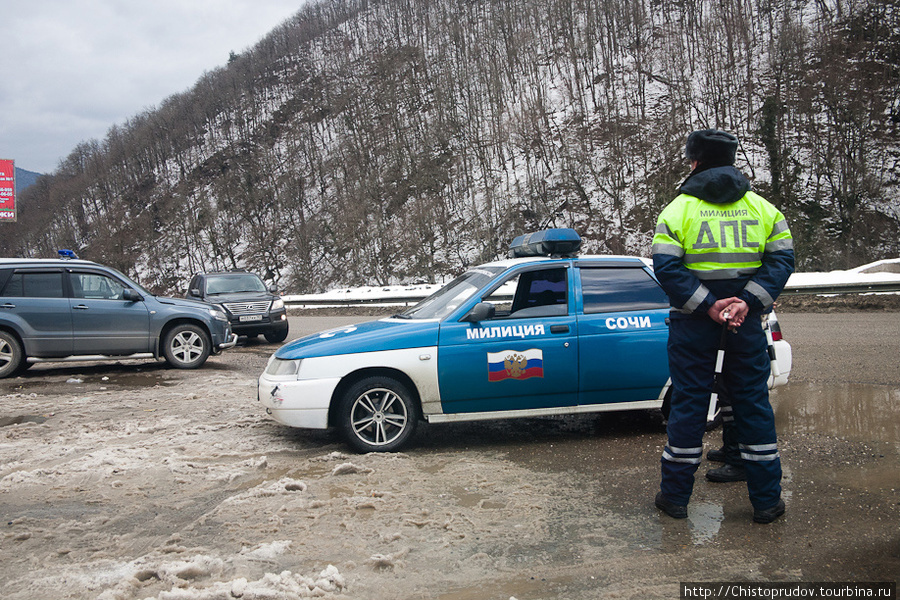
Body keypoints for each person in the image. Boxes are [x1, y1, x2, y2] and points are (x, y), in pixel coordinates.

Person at [651, 129, 794, 524]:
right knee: (752, 403)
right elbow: (782, 262)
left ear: (694, 162)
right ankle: (767, 502)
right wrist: (745, 302)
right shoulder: (764, 209)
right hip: (745, 322)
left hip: (694, 322)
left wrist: (710, 306)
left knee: (690, 403)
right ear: (732, 162)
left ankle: (675, 498)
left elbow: (667, 268)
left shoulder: (677, 210)